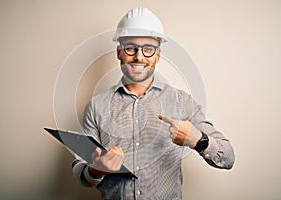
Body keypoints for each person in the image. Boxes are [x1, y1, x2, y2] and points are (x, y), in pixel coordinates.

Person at [72, 7, 235, 200]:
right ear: (119, 52)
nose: (139, 57)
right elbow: (80, 169)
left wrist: (198, 140)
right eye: (130, 47)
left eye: (148, 49)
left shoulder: (182, 103)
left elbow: (228, 158)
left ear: (157, 55)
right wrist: (96, 170)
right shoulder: (96, 107)